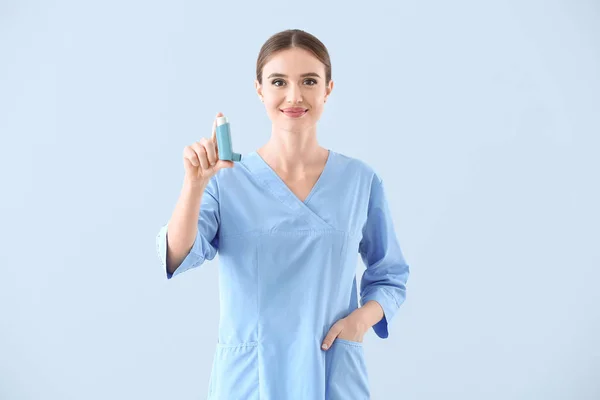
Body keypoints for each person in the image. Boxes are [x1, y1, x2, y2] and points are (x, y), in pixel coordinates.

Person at [155, 29, 410, 400]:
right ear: (259, 89)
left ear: (328, 89)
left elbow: (390, 275)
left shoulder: (359, 181)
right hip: (250, 379)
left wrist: (359, 321)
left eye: (309, 81)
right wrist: (193, 185)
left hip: (331, 371)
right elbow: (177, 255)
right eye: (279, 82)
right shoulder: (227, 181)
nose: (294, 96)